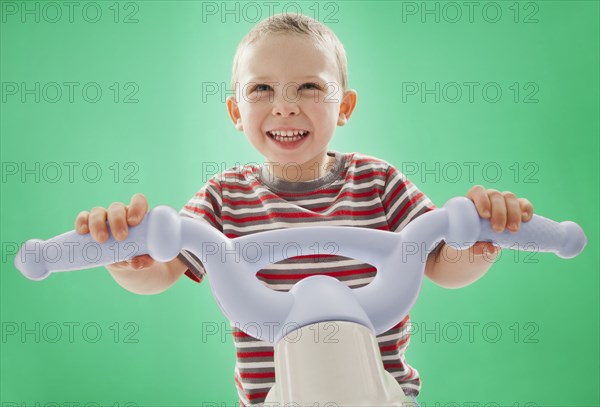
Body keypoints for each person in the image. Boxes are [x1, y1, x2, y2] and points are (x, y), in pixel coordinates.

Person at [74, 13, 534, 407]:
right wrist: (128, 258)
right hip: (279, 396)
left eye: (310, 87)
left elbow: (441, 265)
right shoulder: (223, 195)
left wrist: (477, 244)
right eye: (262, 89)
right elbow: (161, 270)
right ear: (236, 112)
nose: (286, 106)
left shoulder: (378, 182)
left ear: (344, 105)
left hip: (379, 391)